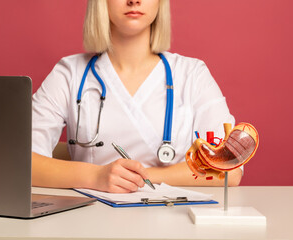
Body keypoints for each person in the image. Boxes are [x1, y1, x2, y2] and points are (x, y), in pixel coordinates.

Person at [32, 0, 242, 193]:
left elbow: (229, 169)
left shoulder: (192, 74)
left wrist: (141, 177)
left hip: (174, 223)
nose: (134, 0)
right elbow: (20, 160)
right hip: (91, 222)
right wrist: (95, 176)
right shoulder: (69, 73)